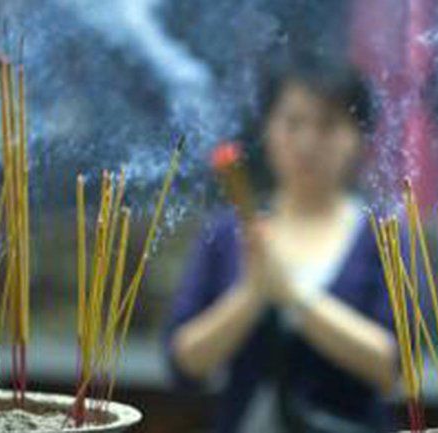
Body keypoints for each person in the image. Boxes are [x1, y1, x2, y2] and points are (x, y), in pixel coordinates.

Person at [163, 59, 398, 433]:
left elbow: (393, 363)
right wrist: (252, 293)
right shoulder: (226, 232)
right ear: (268, 129)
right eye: (292, 123)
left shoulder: (382, 235)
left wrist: (292, 294)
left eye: (328, 125)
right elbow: (184, 361)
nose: (307, 142)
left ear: (358, 137)